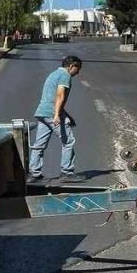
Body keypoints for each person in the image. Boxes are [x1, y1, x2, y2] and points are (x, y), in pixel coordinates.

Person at [29, 55, 85, 183]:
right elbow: (59, 95)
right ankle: (67, 172)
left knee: (39, 144)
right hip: (51, 113)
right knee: (68, 142)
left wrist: (67, 115)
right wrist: (56, 115)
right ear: (71, 66)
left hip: (42, 112)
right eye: (78, 68)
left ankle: (34, 173)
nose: (78, 72)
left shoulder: (54, 74)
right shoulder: (65, 75)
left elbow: (51, 97)